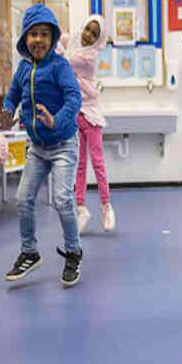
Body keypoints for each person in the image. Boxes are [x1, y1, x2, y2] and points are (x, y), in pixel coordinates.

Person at [0, 4, 83, 286]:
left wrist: (56, 120)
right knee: (23, 199)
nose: (38, 39)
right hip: (37, 147)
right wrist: (8, 111)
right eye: (33, 34)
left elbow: (74, 99)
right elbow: (11, 96)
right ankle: (29, 252)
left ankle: (73, 252)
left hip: (63, 143)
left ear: (53, 38)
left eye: (44, 34)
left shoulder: (60, 66)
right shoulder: (23, 69)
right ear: (25, 39)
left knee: (62, 199)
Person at [61, 14, 115, 234]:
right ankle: (81, 208)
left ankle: (106, 206)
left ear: (98, 39)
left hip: (91, 115)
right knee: (79, 164)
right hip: (76, 113)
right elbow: (61, 37)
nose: (88, 35)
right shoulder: (74, 44)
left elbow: (64, 59)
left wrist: (58, 43)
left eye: (94, 34)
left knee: (98, 162)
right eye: (87, 30)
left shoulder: (88, 56)